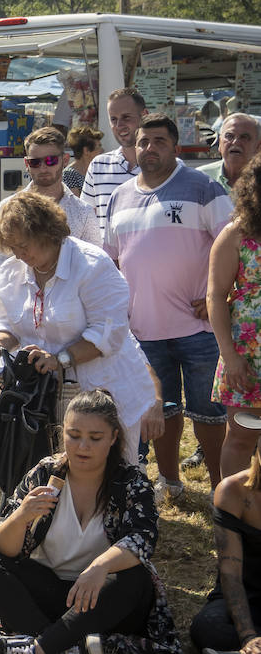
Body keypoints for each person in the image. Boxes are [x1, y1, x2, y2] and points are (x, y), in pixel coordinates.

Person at [0, 390, 181, 654]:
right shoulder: (45, 472)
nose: (82, 447)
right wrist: (21, 517)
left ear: (114, 437)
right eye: (74, 435)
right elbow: (5, 549)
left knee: (135, 579)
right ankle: (64, 645)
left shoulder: (131, 482)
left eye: (95, 438)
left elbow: (143, 540)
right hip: (49, 593)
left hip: (101, 600)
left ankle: (40, 646)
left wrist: (101, 566)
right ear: (61, 432)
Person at [0, 191, 164, 461]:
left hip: (102, 393)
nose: (18, 253)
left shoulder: (91, 264)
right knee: (49, 474)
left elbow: (106, 335)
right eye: (12, 247)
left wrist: (59, 359)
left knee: (107, 474)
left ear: (45, 233)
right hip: (42, 398)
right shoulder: (11, 271)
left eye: (23, 244)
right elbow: (7, 322)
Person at [105, 114, 231, 501]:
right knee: (161, 413)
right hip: (143, 331)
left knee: (209, 416)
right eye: (144, 142)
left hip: (199, 329)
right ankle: (170, 481)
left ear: (175, 148)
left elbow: (235, 246)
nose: (149, 148)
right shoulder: (119, 196)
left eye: (159, 141)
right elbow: (111, 260)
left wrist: (219, 298)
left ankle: (219, 488)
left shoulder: (203, 188)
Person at [0, 127, 100, 332]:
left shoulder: (83, 211)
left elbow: (96, 269)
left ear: (64, 160)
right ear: (27, 165)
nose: (43, 168)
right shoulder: (6, 209)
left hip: (71, 320)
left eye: (51, 161)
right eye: (36, 162)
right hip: (20, 319)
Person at [208, 154, 261, 482]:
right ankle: (231, 516)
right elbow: (215, 296)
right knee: (243, 436)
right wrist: (230, 356)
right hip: (246, 357)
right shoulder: (236, 234)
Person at [190, 448, 261, 654]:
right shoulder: (232, 490)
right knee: (209, 628)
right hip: (245, 595)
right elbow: (230, 574)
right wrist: (248, 636)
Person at [82, 87, 149, 240]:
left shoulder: (167, 166)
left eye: (126, 117)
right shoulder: (98, 166)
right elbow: (85, 221)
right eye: (114, 119)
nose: (119, 125)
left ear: (144, 115)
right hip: (106, 262)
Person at [199, 113, 261, 193]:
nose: (235, 142)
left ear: (258, 147)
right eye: (229, 136)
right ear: (220, 143)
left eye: (244, 137)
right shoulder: (200, 177)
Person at [63, 126, 103, 196]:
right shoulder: (69, 175)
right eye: (98, 147)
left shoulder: (97, 171)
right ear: (86, 150)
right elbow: (76, 204)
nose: (102, 150)